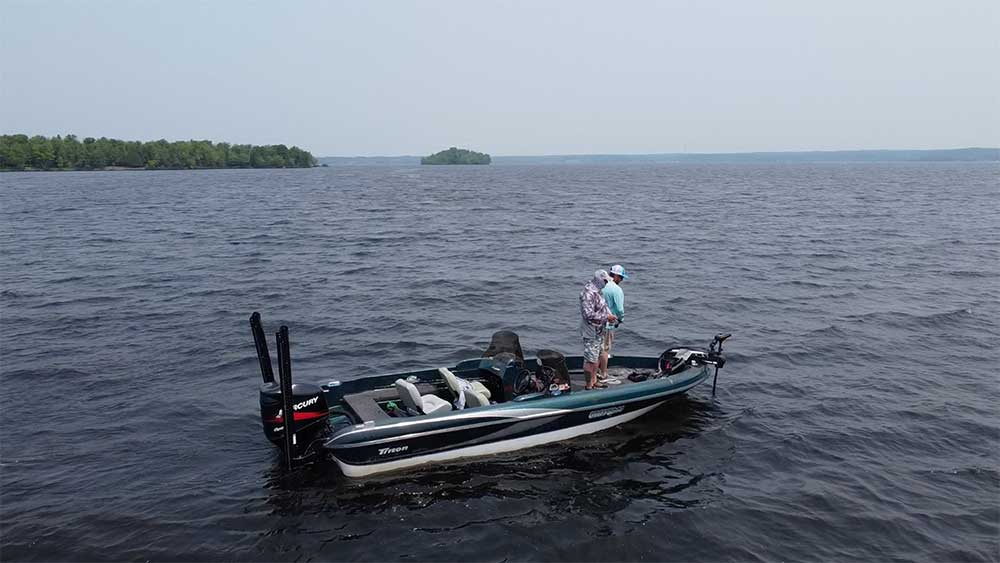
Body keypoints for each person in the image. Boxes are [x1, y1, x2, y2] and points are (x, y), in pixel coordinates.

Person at [580, 270, 618, 390]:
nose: (606, 283)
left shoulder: (598, 292)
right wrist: (606, 317)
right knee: (590, 359)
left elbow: (604, 306)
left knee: (596, 356)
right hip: (591, 331)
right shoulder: (588, 294)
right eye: (605, 281)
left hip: (599, 330)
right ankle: (588, 384)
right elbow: (588, 315)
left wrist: (610, 316)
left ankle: (594, 380)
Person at [598, 264, 628, 381]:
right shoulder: (616, 289)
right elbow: (620, 310)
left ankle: (594, 373)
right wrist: (620, 319)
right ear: (615, 276)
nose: (621, 280)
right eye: (621, 277)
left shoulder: (600, 285)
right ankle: (603, 374)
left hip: (595, 322)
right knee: (605, 350)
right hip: (608, 324)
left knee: (596, 348)